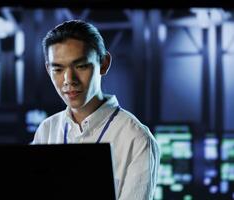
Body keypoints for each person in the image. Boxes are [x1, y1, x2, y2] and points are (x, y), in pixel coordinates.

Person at [31, 19, 160, 200]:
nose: (69, 80)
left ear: (104, 63)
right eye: (58, 69)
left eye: (81, 66)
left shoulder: (136, 139)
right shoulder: (47, 130)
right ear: (48, 70)